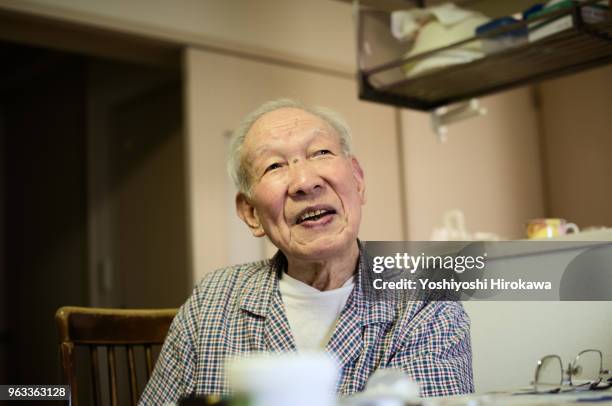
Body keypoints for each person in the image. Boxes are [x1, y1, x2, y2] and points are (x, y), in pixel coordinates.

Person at [139, 99, 473, 404]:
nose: (304, 181)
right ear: (250, 213)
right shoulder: (211, 302)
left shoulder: (425, 297)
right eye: (274, 166)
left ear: (357, 180)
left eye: (321, 153)